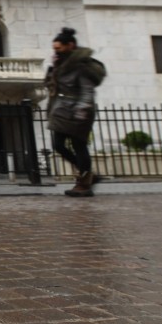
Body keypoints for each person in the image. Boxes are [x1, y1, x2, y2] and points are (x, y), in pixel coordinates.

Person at [45, 27, 106, 197]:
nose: (56, 51)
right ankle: (87, 174)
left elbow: (87, 91)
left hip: (79, 112)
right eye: (55, 49)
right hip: (63, 111)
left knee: (79, 146)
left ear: (70, 45)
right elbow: (52, 87)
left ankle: (84, 183)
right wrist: (52, 70)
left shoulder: (81, 66)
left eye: (58, 48)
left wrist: (81, 111)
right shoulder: (61, 65)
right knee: (58, 145)